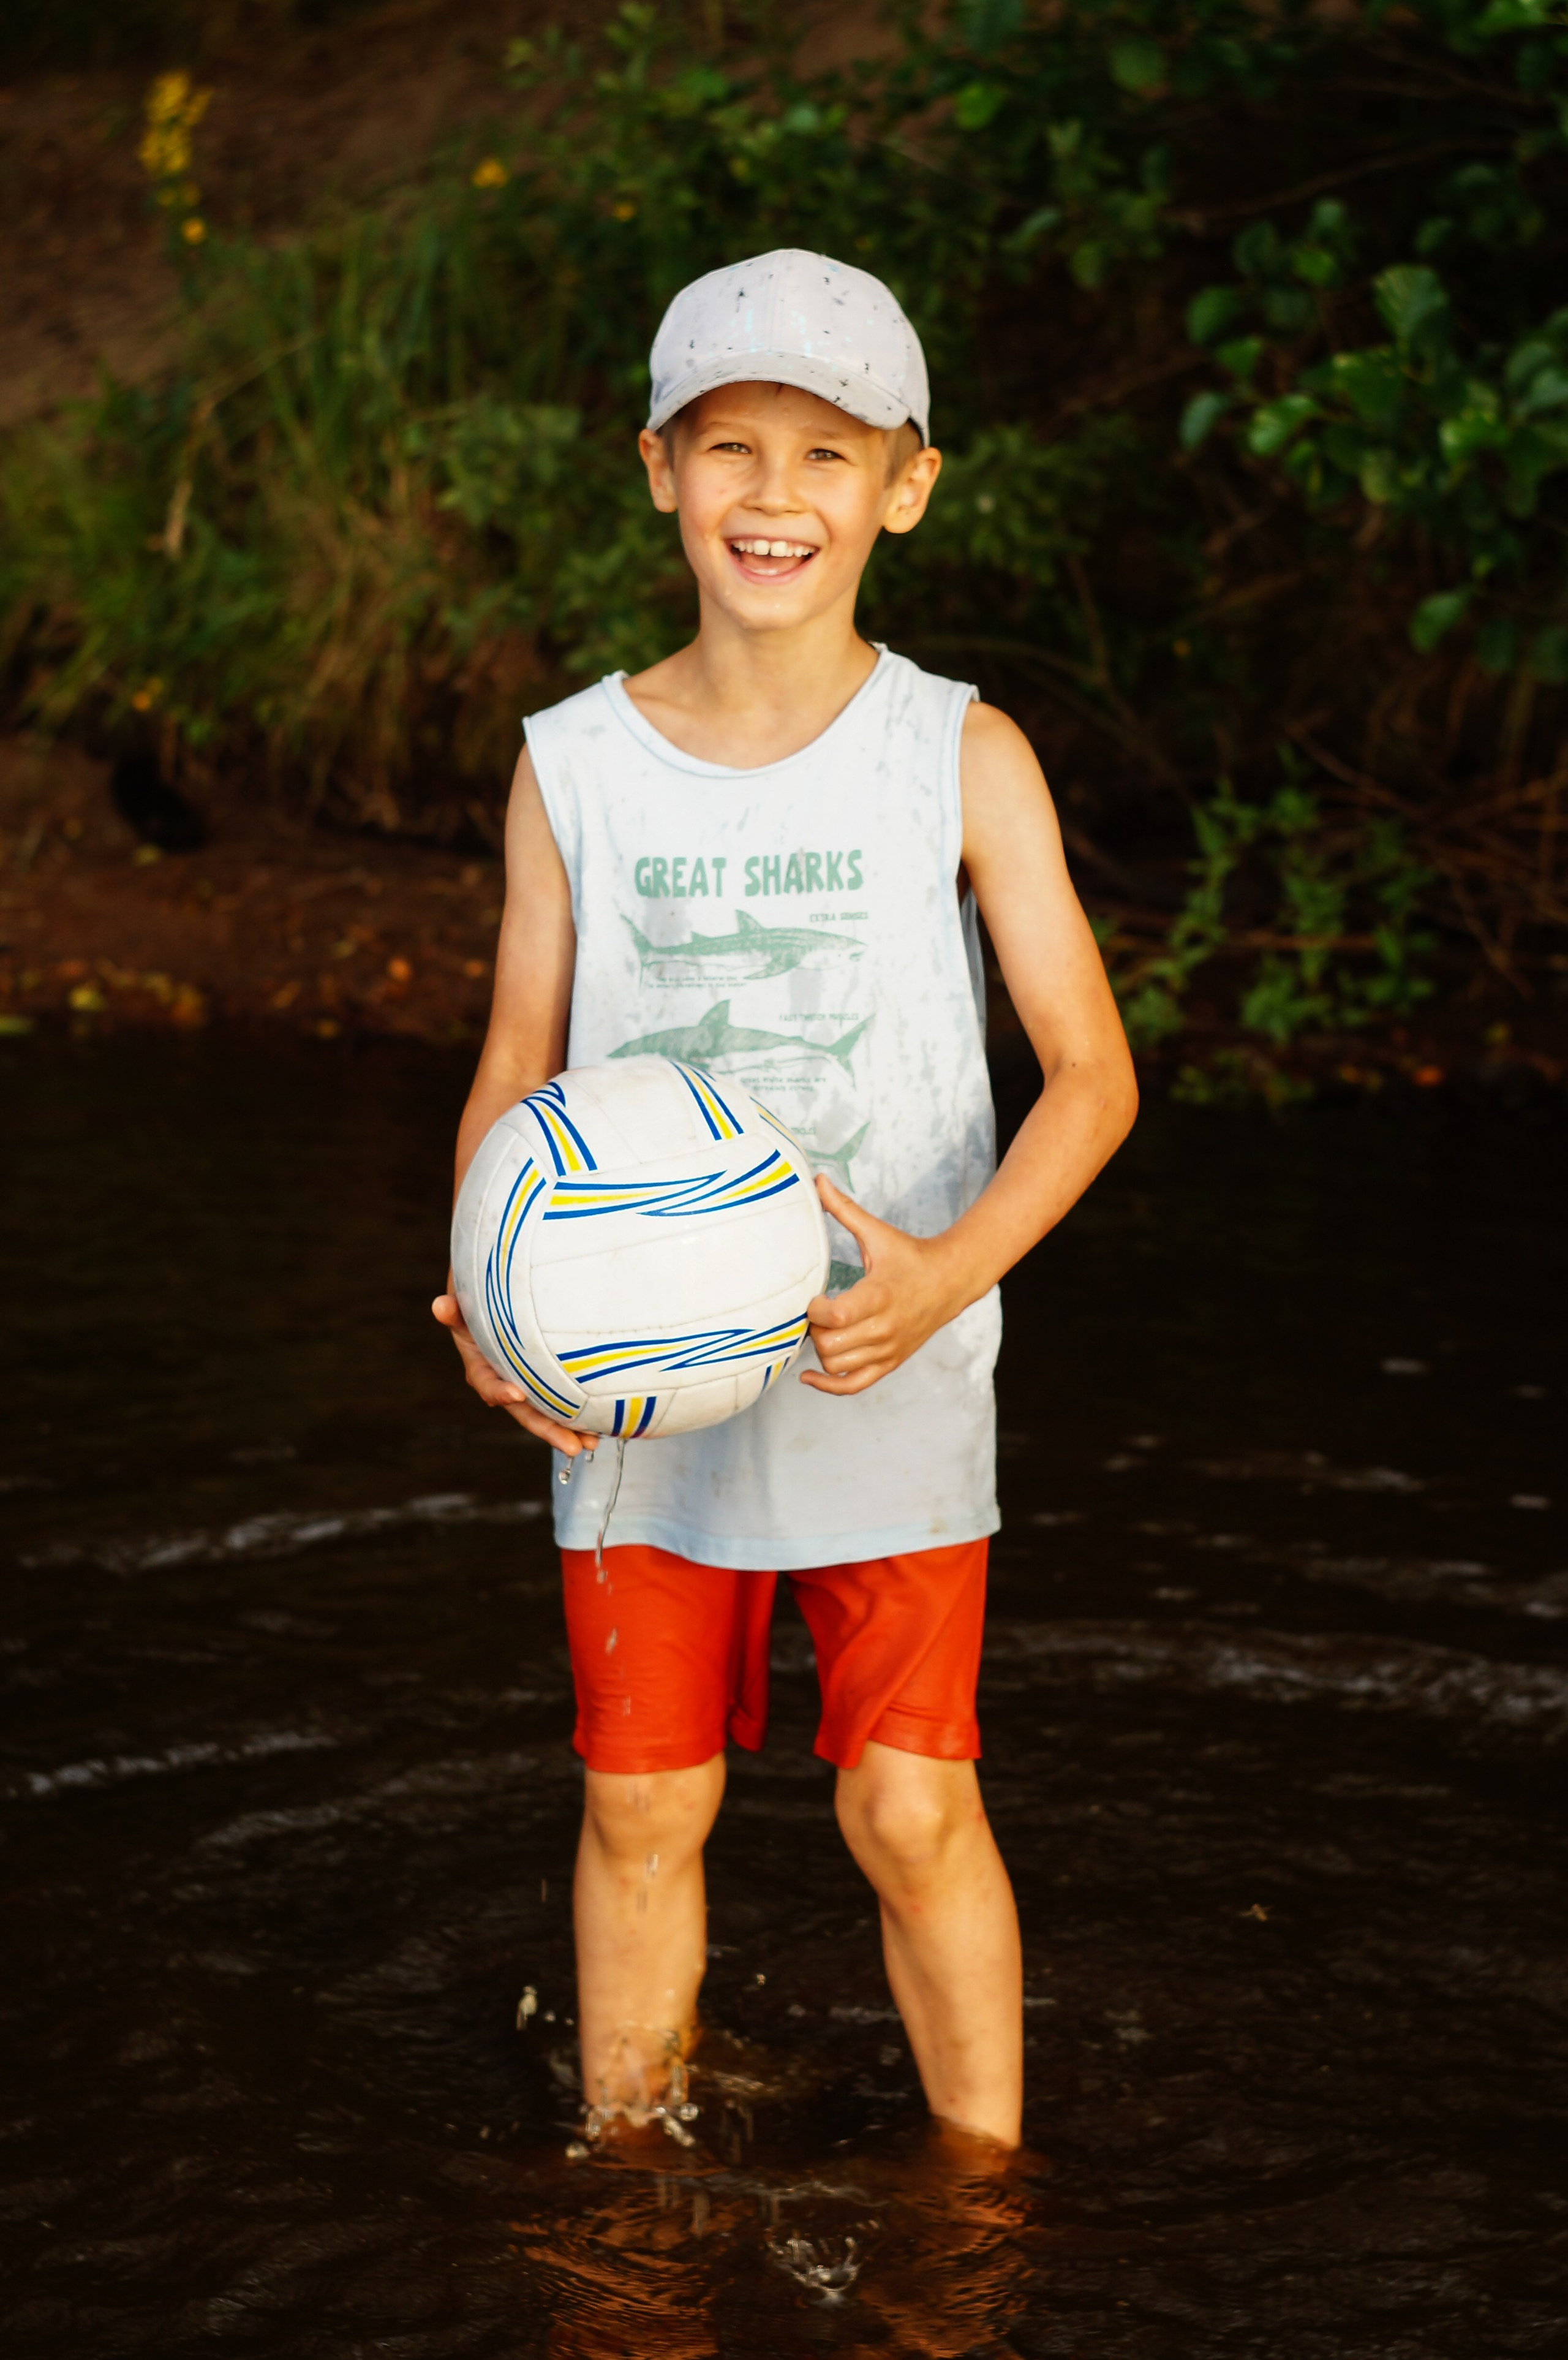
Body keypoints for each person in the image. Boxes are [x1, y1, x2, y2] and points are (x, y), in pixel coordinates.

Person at [433, 249, 1137, 2154]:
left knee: (908, 1804)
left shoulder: (960, 752)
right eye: (731, 446)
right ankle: (628, 2184)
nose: (774, 494)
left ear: (906, 485)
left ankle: (982, 2193)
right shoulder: (573, 767)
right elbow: (515, 1062)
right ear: (660, 467)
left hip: (886, 1364)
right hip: (635, 1380)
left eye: (827, 454)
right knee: (643, 1801)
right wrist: (485, 1293)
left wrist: (945, 1277)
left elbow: (1093, 1075)